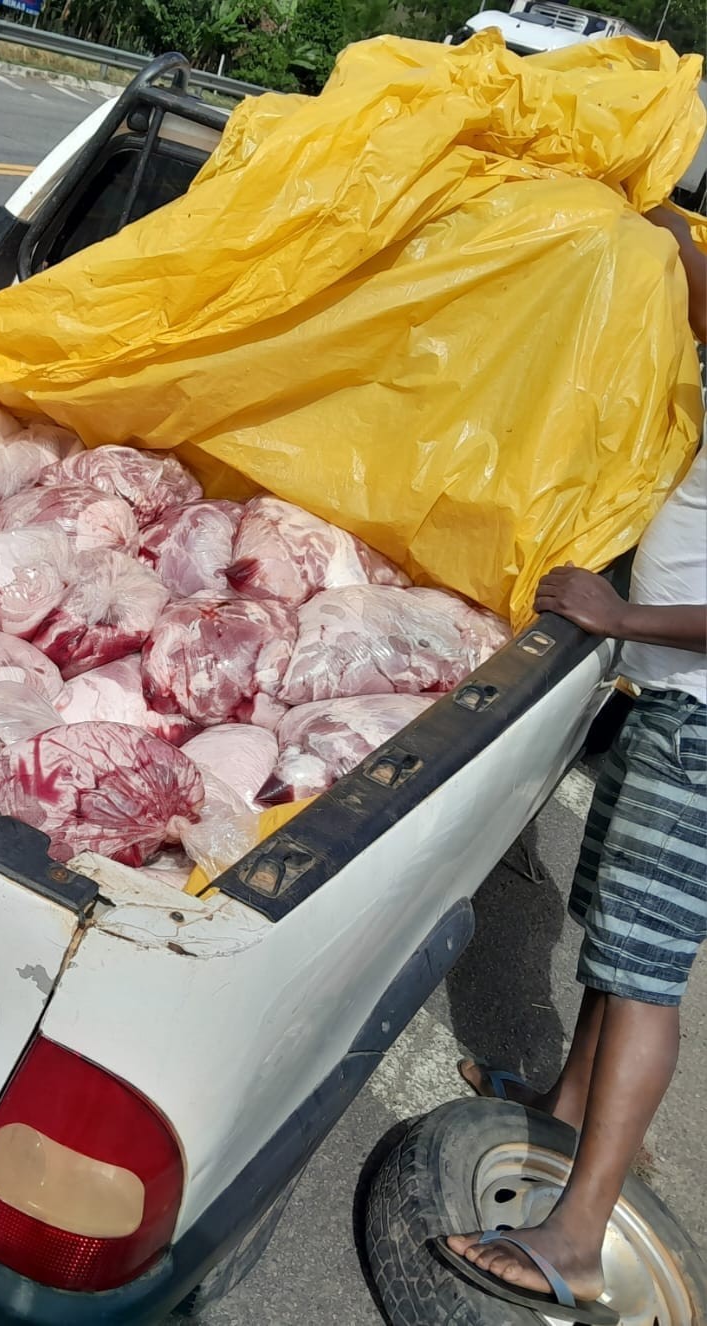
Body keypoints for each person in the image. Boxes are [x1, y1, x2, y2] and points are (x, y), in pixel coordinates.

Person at [440, 204, 707, 1321]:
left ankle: (581, 1233)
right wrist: (650, 206)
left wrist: (618, 618)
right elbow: (703, 296)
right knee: (612, 941)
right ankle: (559, 1107)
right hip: (670, 708)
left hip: (699, 723)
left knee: (644, 971)